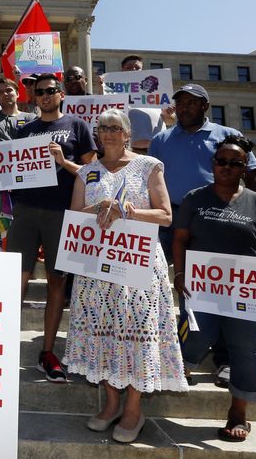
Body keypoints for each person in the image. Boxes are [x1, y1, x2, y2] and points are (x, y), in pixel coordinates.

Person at [65, 108, 187, 443]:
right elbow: (74, 216)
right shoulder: (86, 172)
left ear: (127, 133)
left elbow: (165, 215)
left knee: (136, 333)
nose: (107, 133)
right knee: (101, 332)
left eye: (114, 128)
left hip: (139, 266)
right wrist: (100, 206)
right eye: (102, 128)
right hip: (95, 269)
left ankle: (134, 408)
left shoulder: (148, 166)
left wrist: (128, 210)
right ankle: (112, 403)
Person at [173, 135, 256, 442]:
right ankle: (178, 371)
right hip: (204, 288)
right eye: (221, 161)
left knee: (245, 350)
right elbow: (179, 239)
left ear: (245, 168)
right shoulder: (195, 197)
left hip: (247, 291)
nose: (227, 167)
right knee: (192, 336)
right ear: (212, 164)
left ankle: (238, 412)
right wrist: (178, 272)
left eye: (235, 163)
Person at [150, 84, 256, 386]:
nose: (185, 108)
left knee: (220, 289)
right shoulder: (161, 139)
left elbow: (252, 175)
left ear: (205, 106)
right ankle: (176, 351)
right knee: (172, 285)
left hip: (215, 218)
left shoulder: (225, 135)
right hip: (169, 218)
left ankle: (224, 359)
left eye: (192, 102)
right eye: (180, 103)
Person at [7, 73, 97, 382]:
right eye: (39, 91)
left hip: (62, 214)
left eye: (51, 90)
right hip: (27, 212)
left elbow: (93, 173)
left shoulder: (77, 126)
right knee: (15, 281)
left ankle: (47, 352)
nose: (45, 95)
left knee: (57, 282)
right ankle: (3, 346)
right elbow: (11, 170)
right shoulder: (25, 130)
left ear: (61, 94)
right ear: (33, 96)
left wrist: (64, 162)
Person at [118, 54, 175, 152]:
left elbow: (170, 121)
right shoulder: (116, 94)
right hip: (131, 151)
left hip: (159, 149)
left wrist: (167, 114)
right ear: (122, 70)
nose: (134, 70)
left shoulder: (158, 92)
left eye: (137, 67)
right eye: (129, 67)